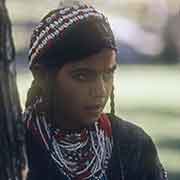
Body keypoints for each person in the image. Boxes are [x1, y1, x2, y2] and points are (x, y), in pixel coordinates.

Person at [24, 1, 168, 179]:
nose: (100, 91)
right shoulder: (17, 148)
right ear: (42, 76)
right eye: (82, 76)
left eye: (108, 75)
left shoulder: (133, 144)